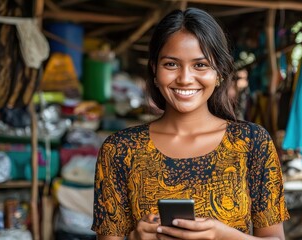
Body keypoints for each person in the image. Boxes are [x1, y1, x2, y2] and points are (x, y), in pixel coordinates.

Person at [92, 7, 290, 240]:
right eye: (171, 64)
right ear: (154, 70)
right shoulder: (120, 149)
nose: (185, 78)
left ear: (220, 72)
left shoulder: (252, 143)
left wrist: (221, 234)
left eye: (200, 65)